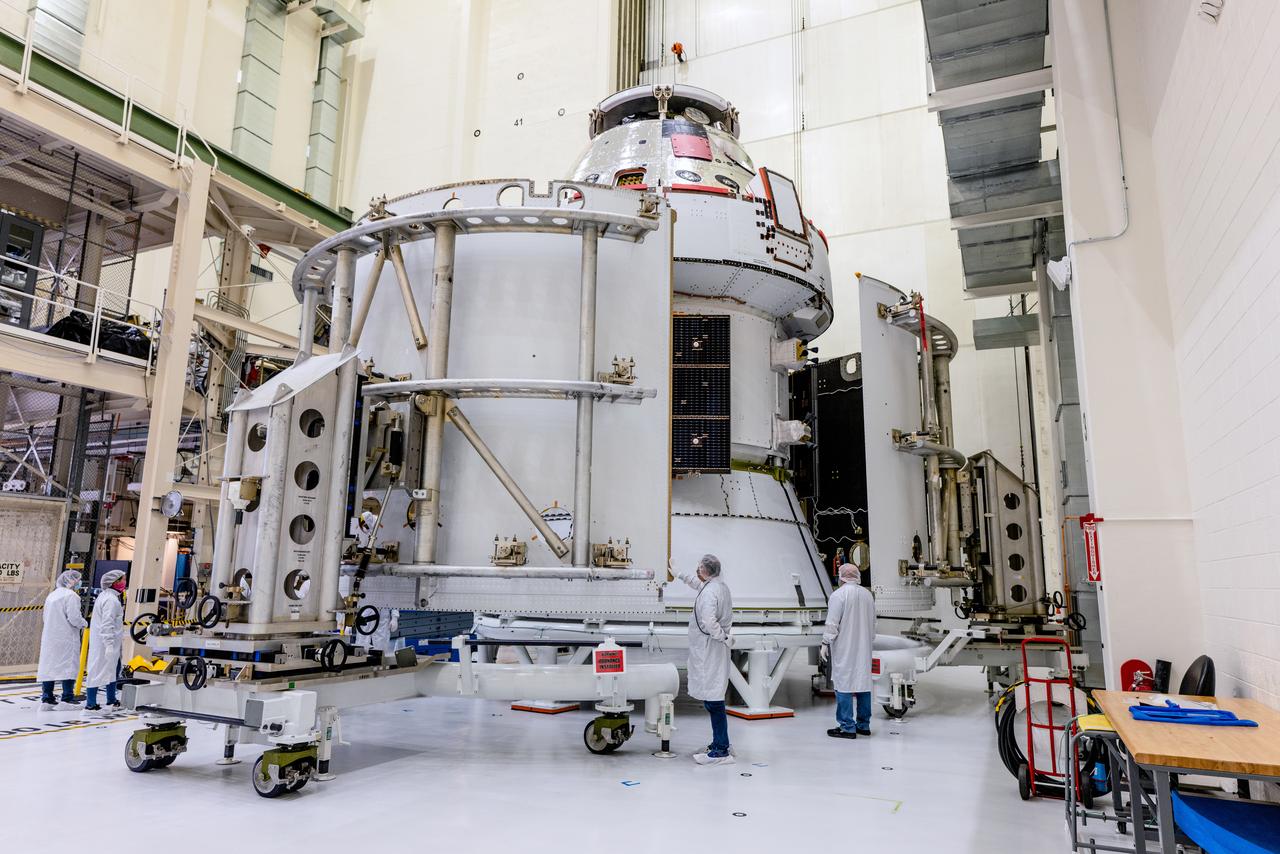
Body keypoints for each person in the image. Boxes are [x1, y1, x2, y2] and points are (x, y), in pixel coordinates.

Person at [673, 554, 735, 766]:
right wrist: (679, 574)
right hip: (712, 649)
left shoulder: (710, 593)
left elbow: (709, 622)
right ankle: (720, 742)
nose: (697, 570)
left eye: (699, 567)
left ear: (706, 570)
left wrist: (722, 637)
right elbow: (698, 585)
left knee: (714, 701)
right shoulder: (717, 587)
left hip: (710, 650)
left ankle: (721, 750)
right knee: (713, 698)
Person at [822, 563, 876, 738]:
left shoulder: (838, 595)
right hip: (864, 646)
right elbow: (873, 623)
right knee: (863, 683)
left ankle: (847, 727)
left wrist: (824, 642)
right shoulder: (868, 595)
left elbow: (832, 624)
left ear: (841, 577)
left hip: (845, 647)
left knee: (843, 683)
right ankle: (863, 725)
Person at [36, 570, 86, 711]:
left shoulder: (52, 595)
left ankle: (47, 699)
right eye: (78, 580)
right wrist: (84, 623)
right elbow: (74, 618)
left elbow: (45, 617)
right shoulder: (72, 596)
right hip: (66, 638)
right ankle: (67, 699)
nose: (79, 583)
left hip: (50, 637)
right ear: (71, 581)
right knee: (68, 666)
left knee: (49, 666)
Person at [84, 569, 126, 711]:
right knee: (97, 672)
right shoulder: (111, 600)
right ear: (113, 582)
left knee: (112, 671)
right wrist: (109, 644)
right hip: (105, 643)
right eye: (122, 580)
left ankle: (111, 701)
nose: (124, 583)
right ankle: (90, 705)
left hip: (108, 642)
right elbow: (107, 624)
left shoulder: (106, 596)